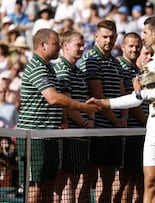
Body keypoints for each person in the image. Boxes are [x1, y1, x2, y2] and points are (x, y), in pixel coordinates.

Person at [91, 16, 155, 203]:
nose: (142, 36)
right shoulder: (150, 65)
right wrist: (105, 103)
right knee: (150, 181)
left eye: (145, 32)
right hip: (154, 131)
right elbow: (137, 99)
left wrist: (140, 94)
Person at [16, 28, 100, 203]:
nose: (59, 47)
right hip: (35, 136)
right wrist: (84, 108)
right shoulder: (37, 66)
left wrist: (63, 120)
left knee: (49, 184)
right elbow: (53, 98)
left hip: (50, 134)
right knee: (36, 186)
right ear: (42, 45)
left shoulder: (48, 68)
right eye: (55, 44)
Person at [79, 20, 127, 203]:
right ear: (96, 36)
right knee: (87, 179)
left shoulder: (116, 63)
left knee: (108, 180)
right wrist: (117, 121)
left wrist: (123, 117)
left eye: (112, 37)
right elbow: (97, 96)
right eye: (105, 36)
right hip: (97, 128)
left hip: (114, 129)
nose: (109, 40)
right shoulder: (91, 60)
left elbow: (123, 94)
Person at [53, 30, 93, 202]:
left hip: (80, 133)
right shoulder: (62, 69)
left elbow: (84, 101)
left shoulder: (78, 71)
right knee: (63, 182)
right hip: (69, 134)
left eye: (83, 45)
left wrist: (89, 120)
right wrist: (85, 122)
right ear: (65, 46)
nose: (82, 48)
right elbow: (66, 104)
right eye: (78, 45)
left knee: (75, 179)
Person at [114, 32, 146, 203]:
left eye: (137, 46)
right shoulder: (120, 67)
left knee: (136, 179)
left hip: (140, 133)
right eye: (131, 46)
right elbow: (130, 102)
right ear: (123, 47)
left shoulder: (139, 71)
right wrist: (148, 123)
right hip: (127, 132)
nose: (134, 49)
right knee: (122, 180)